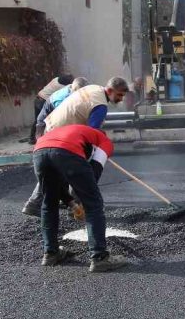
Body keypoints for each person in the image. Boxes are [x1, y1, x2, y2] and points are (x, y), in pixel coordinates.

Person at [22, 77, 129, 216]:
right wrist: (101, 152)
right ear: (109, 90)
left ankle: (41, 204)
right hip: (63, 135)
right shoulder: (100, 105)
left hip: (53, 127)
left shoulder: (93, 88)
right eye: (119, 95)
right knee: (78, 165)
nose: (121, 99)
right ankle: (77, 204)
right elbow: (92, 134)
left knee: (57, 169)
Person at [32, 124, 127, 273]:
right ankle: (99, 258)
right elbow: (93, 173)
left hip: (39, 152)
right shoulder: (104, 141)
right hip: (66, 151)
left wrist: (72, 203)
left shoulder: (75, 132)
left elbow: (59, 187)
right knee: (94, 203)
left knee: (49, 202)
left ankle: (50, 253)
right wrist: (83, 201)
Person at [29, 74, 74, 143]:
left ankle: (32, 138)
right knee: (48, 120)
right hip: (43, 102)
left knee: (38, 120)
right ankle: (45, 138)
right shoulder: (63, 87)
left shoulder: (55, 79)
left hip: (37, 99)